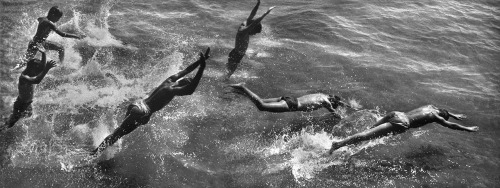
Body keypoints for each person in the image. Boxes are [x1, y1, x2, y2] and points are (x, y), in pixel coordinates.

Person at [90, 48, 211, 156]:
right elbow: (190, 90)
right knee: (118, 134)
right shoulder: (173, 91)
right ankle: (94, 154)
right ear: (182, 88)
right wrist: (202, 68)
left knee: (120, 132)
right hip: (142, 112)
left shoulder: (169, 80)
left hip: (137, 104)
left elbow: (186, 70)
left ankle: (105, 146)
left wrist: (200, 61)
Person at [328, 105, 479, 154]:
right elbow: (451, 125)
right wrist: (468, 129)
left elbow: (444, 111)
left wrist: (454, 114)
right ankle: (338, 144)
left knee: (370, 131)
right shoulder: (436, 117)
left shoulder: (431, 106)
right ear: (441, 116)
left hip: (396, 114)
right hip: (402, 123)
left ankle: (347, 143)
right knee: (366, 136)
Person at [2, 47, 57, 131]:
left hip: (27, 103)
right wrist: (46, 69)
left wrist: (43, 53)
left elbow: (41, 66)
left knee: (28, 115)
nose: (38, 71)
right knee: (9, 125)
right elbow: (37, 80)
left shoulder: (30, 71)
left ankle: (9, 118)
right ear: (32, 69)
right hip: (21, 104)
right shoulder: (24, 77)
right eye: (37, 69)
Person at [13, 6, 84, 70]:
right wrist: (76, 36)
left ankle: (13, 70)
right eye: (58, 18)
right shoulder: (50, 23)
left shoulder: (42, 19)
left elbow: (37, 23)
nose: (58, 20)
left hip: (35, 42)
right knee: (25, 61)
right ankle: (61, 66)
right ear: (53, 15)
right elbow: (62, 34)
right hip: (37, 44)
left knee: (25, 61)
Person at [229, 83, 352, 117]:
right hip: (291, 104)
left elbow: (336, 100)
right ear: (332, 102)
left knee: (261, 100)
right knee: (261, 106)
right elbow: (335, 114)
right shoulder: (326, 103)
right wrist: (347, 118)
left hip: (289, 98)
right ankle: (242, 87)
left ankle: (240, 92)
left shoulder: (322, 95)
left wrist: (346, 105)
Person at [225, 0, 275, 79]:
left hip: (237, 54)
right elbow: (255, 22)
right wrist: (266, 13)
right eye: (254, 32)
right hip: (236, 55)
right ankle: (224, 83)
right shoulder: (243, 31)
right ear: (252, 28)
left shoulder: (246, 23)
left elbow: (252, 14)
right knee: (228, 75)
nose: (254, 34)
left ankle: (224, 79)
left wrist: (258, 4)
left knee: (229, 72)